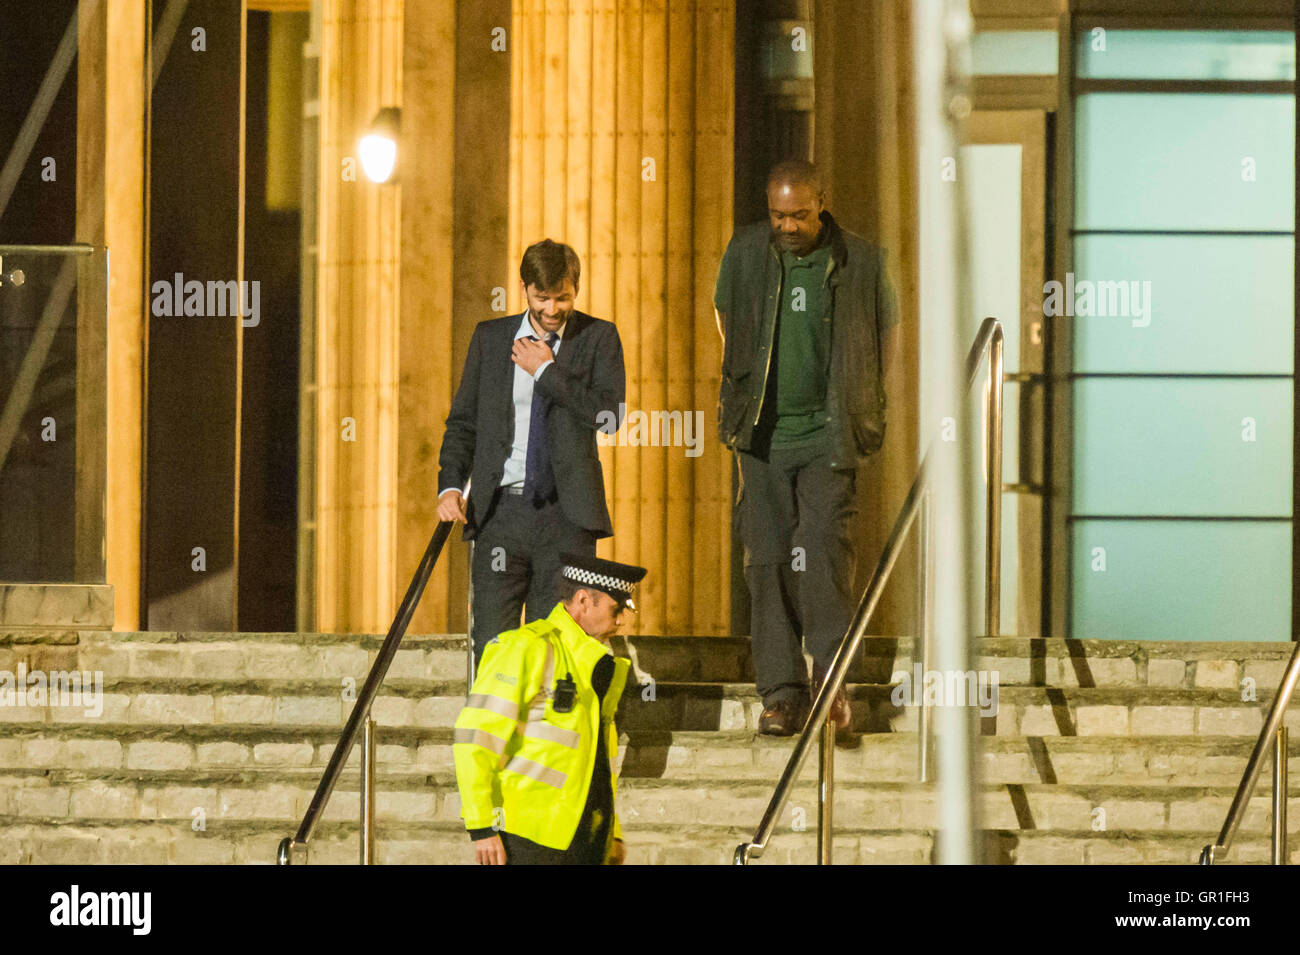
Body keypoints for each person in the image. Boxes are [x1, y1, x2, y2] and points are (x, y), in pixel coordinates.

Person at [713, 159, 899, 736]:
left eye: (797, 214)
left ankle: (831, 681)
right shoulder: (746, 253)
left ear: (821, 202)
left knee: (822, 554)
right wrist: (744, 379)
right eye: (777, 214)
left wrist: (866, 395)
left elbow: (885, 331)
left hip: (828, 435)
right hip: (762, 436)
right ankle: (782, 692)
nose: (786, 225)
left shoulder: (861, 259)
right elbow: (724, 314)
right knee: (765, 560)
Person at [437, 239, 625, 664]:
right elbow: (463, 422)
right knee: (493, 647)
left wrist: (546, 371)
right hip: (500, 514)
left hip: (567, 519)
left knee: (555, 650)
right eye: (543, 297)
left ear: (576, 289)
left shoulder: (598, 337)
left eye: (563, 297)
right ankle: (492, 731)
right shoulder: (491, 338)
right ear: (524, 289)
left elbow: (610, 417)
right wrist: (449, 485)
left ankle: (545, 733)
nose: (553, 309)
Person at [453, 553, 648, 865]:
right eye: (617, 608)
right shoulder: (525, 648)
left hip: (587, 836)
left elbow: (599, 759)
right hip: (529, 836)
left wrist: (613, 830)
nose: (621, 620)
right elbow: (476, 739)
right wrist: (481, 825)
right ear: (583, 600)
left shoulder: (600, 667)